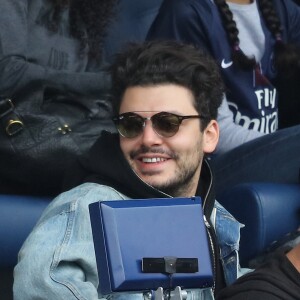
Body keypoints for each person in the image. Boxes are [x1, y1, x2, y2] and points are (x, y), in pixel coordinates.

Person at [13, 40, 300, 299]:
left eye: (168, 123)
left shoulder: (214, 212)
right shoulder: (84, 208)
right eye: (131, 124)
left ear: (210, 135)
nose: (148, 138)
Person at [146, 0, 300, 195]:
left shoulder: (281, 9)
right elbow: (217, 133)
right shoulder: (188, 12)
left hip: (266, 153)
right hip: (208, 169)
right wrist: (287, 147)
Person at [0, 0, 118, 195]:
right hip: (13, 129)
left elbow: (88, 79)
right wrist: (100, 82)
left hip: (62, 125)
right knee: (122, 161)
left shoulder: (81, 11)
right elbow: (7, 73)